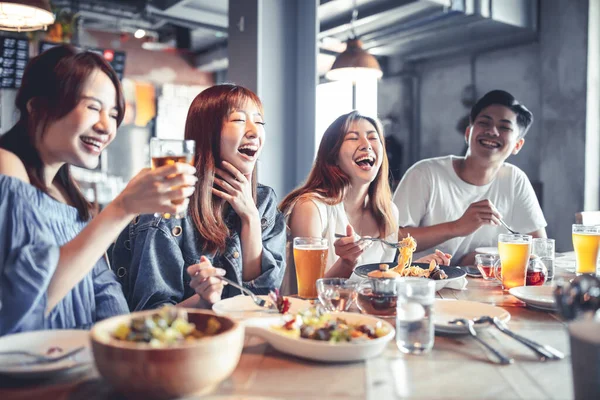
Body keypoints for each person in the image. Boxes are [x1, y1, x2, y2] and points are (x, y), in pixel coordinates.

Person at [0, 45, 196, 335]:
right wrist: (122, 208)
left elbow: (105, 292)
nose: (107, 126)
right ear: (36, 106)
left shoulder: (67, 191)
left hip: (76, 361)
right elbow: (23, 303)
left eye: (114, 113)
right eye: (93, 107)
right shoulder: (7, 165)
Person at [112, 84, 286, 310]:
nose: (254, 131)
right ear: (208, 131)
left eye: (259, 122)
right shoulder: (168, 205)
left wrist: (251, 218)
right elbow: (152, 316)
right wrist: (204, 299)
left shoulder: (264, 201)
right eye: (239, 120)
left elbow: (263, 303)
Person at [279, 111, 450, 294]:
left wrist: (414, 270)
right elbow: (310, 294)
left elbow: (375, 281)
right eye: (353, 138)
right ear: (333, 155)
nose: (366, 145)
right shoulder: (310, 207)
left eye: (372, 138)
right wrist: (346, 263)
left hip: (366, 314)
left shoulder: (388, 212)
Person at [392, 90, 547, 266]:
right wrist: (457, 227)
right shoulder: (424, 174)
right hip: (423, 285)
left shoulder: (515, 179)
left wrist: (483, 257)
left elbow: (538, 247)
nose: (492, 131)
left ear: (517, 145)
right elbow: (393, 239)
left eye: (504, 127)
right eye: (484, 123)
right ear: (468, 133)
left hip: (486, 288)